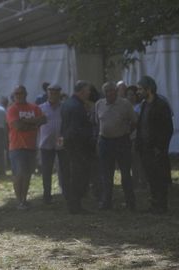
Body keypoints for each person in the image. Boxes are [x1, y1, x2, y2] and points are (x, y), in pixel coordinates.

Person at [95, 81, 137, 211]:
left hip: (121, 142)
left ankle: (130, 202)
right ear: (104, 93)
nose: (110, 93)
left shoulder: (125, 104)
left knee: (125, 174)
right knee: (106, 174)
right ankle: (106, 202)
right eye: (107, 91)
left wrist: (127, 132)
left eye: (112, 90)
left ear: (116, 91)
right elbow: (97, 122)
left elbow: (134, 121)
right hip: (105, 142)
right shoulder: (99, 104)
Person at [136, 75, 173, 214]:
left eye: (140, 89)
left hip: (157, 150)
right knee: (151, 177)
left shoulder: (161, 105)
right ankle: (154, 204)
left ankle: (161, 206)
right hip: (145, 149)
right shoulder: (145, 105)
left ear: (149, 89)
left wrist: (160, 147)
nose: (137, 92)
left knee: (160, 178)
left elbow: (167, 129)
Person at [7, 85, 46, 209]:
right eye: (17, 93)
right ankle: (19, 201)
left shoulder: (34, 107)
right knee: (19, 174)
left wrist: (25, 121)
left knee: (28, 174)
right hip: (17, 146)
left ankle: (24, 199)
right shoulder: (12, 109)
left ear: (26, 94)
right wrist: (34, 123)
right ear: (14, 95)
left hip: (31, 146)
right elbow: (18, 126)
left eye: (21, 93)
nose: (19, 95)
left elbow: (44, 119)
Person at [60, 80, 94, 214]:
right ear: (81, 91)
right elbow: (76, 129)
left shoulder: (67, 104)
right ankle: (75, 205)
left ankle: (73, 203)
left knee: (71, 174)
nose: (89, 93)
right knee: (78, 175)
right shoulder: (77, 107)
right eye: (87, 90)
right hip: (77, 146)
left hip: (68, 144)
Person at [38, 84, 68, 204]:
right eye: (51, 92)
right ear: (47, 93)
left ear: (59, 93)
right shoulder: (41, 108)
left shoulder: (64, 107)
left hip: (60, 140)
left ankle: (66, 192)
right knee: (46, 170)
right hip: (46, 142)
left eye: (55, 93)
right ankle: (47, 195)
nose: (53, 95)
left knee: (64, 169)